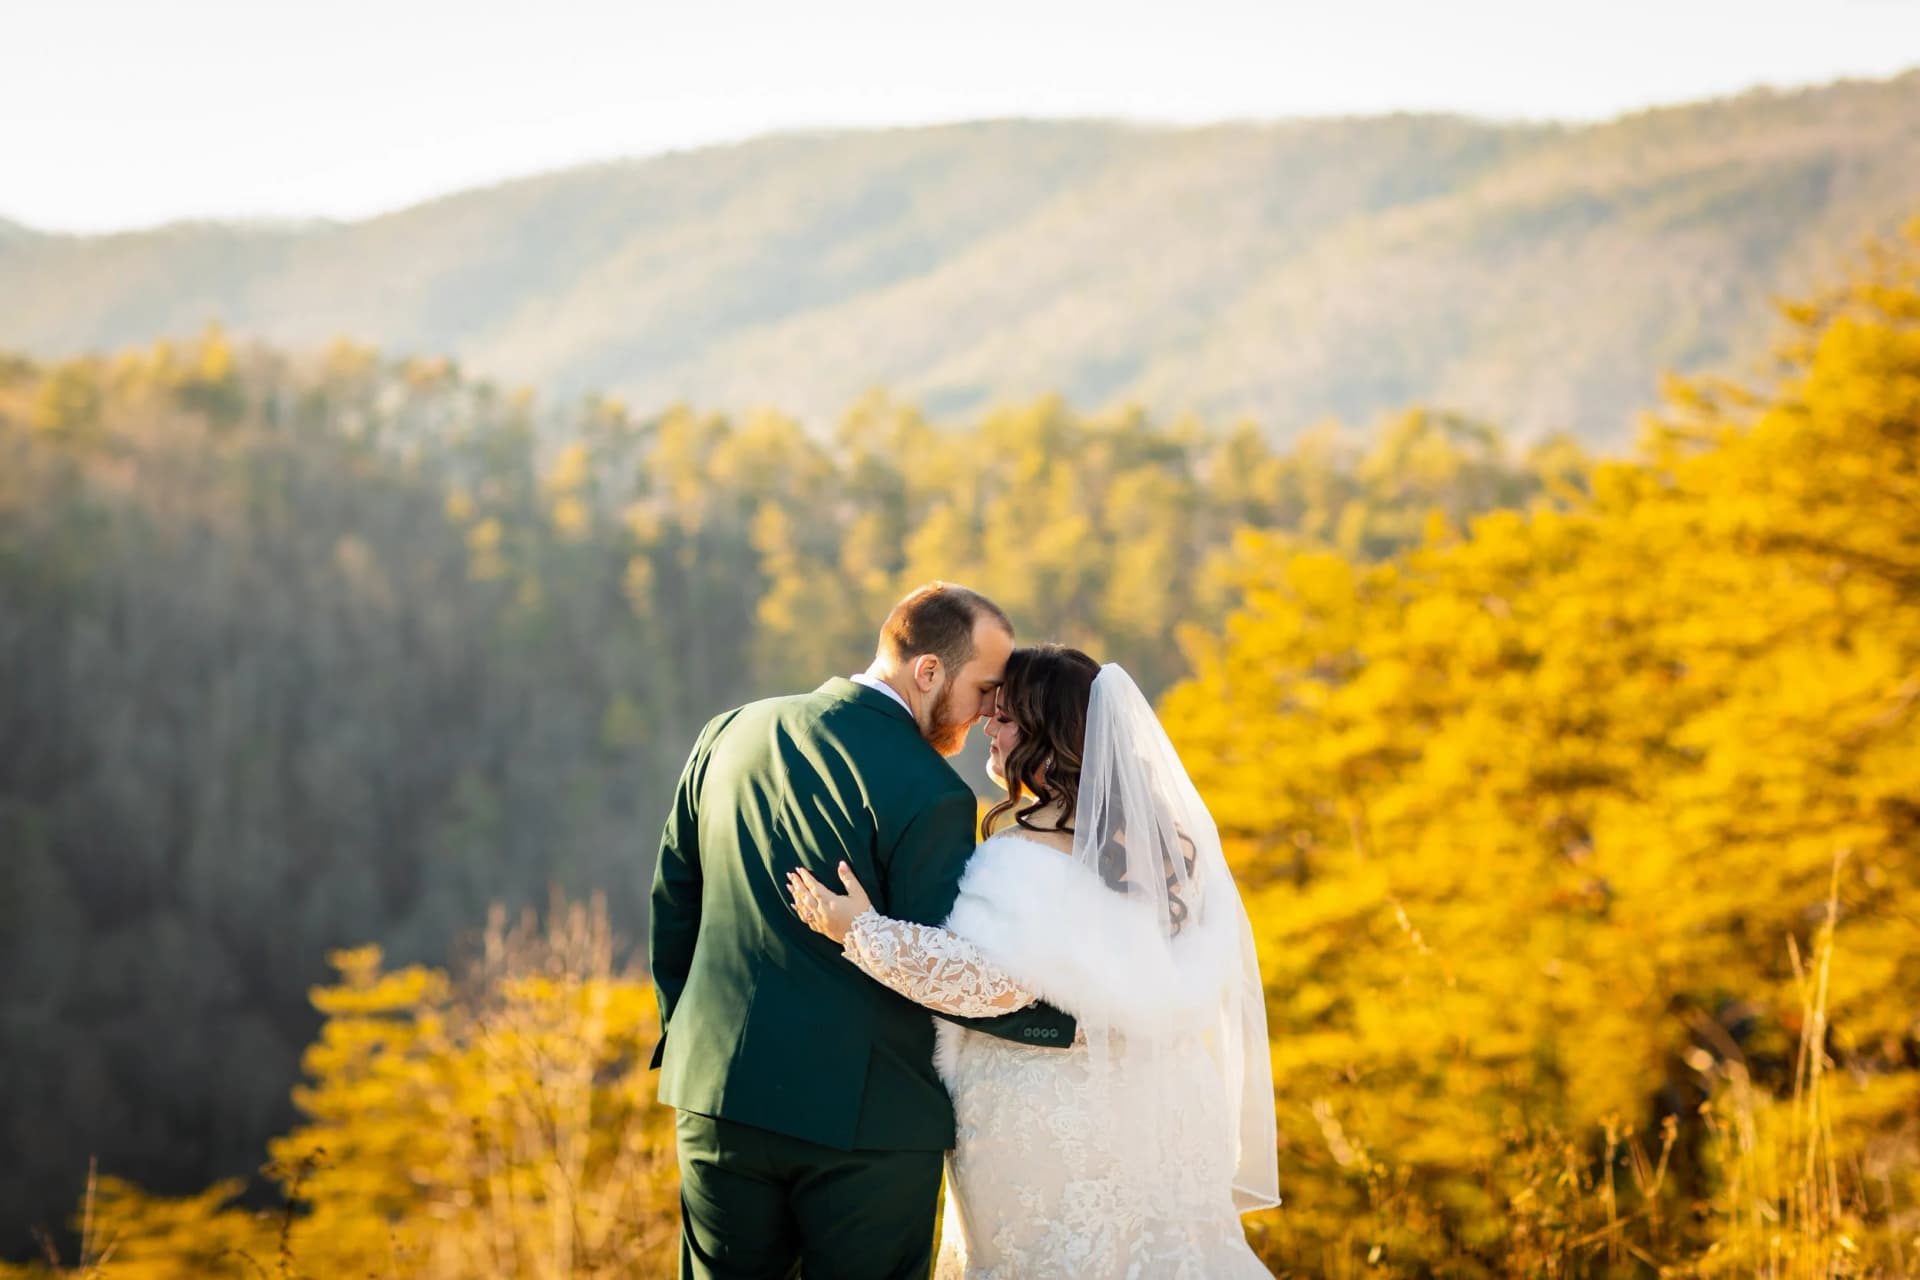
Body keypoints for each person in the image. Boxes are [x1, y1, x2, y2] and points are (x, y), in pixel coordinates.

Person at [790, 645, 1279, 1277]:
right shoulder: (1169, 850)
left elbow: (993, 983)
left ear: (1050, 736)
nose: (987, 729)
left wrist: (861, 932)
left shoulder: (1022, 851)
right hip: (1171, 1105)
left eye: (1006, 718)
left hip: (1049, 1125)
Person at [649, 583, 1079, 1280]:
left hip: (716, 1095)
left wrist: (694, 1035)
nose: (989, 713)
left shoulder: (726, 733)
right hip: (870, 1123)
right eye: (985, 690)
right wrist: (1065, 1023)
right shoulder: (933, 793)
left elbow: (675, 902)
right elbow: (946, 967)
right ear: (929, 672)